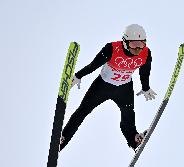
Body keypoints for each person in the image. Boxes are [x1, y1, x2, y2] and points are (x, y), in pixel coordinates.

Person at [59, 24, 156, 152]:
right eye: (134, 44)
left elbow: (144, 72)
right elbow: (93, 65)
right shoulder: (112, 48)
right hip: (102, 86)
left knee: (128, 116)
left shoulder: (146, 53)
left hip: (124, 88)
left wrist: (146, 87)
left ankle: (134, 140)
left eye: (141, 44)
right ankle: (61, 140)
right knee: (82, 111)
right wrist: (78, 76)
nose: (137, 48)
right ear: (125, 42)